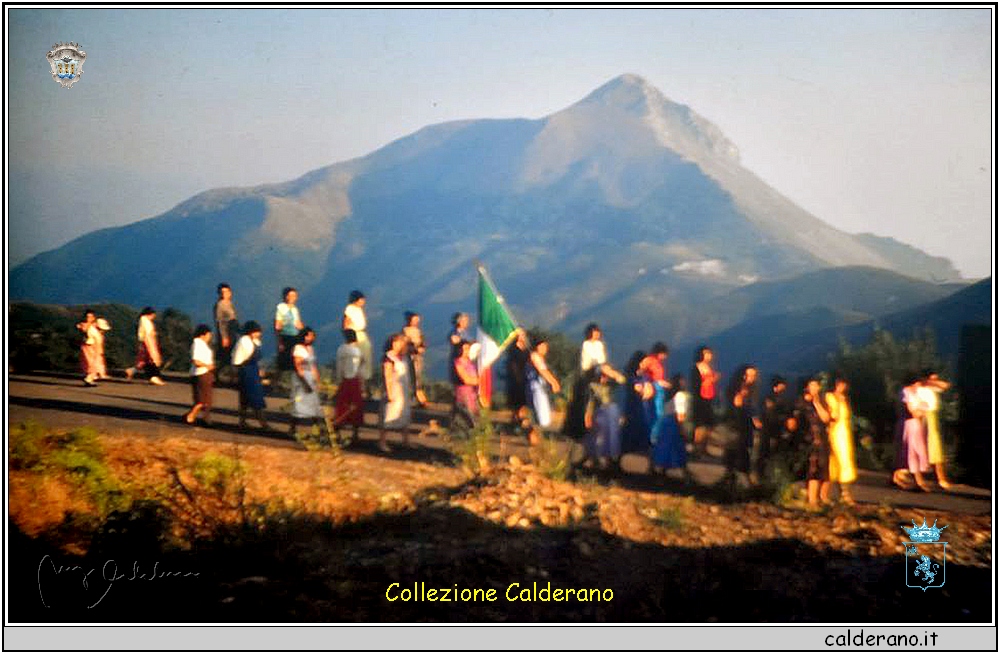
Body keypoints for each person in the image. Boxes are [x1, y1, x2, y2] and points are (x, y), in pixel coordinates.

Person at [565, 323, 611, 440]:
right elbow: (586, 362)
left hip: (599, 375)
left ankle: (597, 428)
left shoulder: (600, 345)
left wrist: (604, 371)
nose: (595, 334)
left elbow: (602, 359)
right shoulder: (585, 345)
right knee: (587, 402)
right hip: (587, 376)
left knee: (600, 402)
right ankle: (584, 427)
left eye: (597, 332)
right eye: (593, 332)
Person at [794, 377, 832, 507]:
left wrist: (817, 403)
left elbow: (826, 418)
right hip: (809, 440)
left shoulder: (821, 402)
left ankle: (822, 497)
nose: (815, 388)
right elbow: (796, 422)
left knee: (824, 468)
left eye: (817, 386)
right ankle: (811, 499)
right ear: (807, 387)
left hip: (822, 439)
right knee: (812, 469)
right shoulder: (801, 403)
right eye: (812, 386)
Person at [892, 373, 933, 492]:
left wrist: (919, 411)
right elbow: (912, 411)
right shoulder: (905, 392)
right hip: (908, 425)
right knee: (910, 452)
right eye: (917, 383)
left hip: (915, 425)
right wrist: (919, 411)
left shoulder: (915, 393)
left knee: (912, 451)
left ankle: (895, 477)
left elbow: (924, 407)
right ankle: (918, 481)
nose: (918, 386)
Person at [581, 365, 627, 471]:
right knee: (598, 436)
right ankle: (594, 458)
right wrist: (587, 416)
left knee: (613, 436)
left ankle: (611, 460)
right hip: (600, 412)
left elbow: (622, 380)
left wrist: (611, 372)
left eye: (605, 376)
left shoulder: (611, 384)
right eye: (601, 375)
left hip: (612, 411)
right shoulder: (592, 385)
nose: (603, 378)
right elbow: (590, 402)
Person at [724, 364, 762, 485]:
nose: (750, 377)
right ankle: (730, 474)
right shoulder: (734, 388)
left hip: (747, 423)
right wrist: (742, 391)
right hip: (735, 422)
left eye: (753, 375)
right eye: (748, 375)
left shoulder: (754, 389)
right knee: (734, 447)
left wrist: (755, 419)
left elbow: (753, 406)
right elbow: (736, 403)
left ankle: (744, 475)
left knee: (746, 449)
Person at [649, 372, 691, 478]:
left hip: (665, 423)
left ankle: (659, 469)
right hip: (673, 423)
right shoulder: (680, 396)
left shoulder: (669, 395)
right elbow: (680, 414)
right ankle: (683, 472)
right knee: (676, 447)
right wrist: (683, 428)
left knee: (664, 447)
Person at [288, 327, 327, 441]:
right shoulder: (298, 349)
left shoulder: (310, 348)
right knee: (299, 404)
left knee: (314, 404)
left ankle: (318, 429)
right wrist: (304, 383)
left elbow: (313, 366)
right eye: (309, 335)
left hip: (310, 376)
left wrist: (317, 380)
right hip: (302, 378)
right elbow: (297, 365)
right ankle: (293, 428)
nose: (312, 338)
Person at [231, 321, 271, 431]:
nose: (259, 334)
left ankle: (243, 422)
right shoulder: (243, 342)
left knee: (247, 398)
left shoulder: (256, 342)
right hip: (246, 371)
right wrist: (235, 375)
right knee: (254, 397)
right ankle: (263, 424)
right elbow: (237, 360)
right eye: (257, 331)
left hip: (254, 370)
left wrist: (260, 369)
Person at [825, 373, 857, 505]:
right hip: (835, 431)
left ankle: (844, 493)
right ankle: (840, 493)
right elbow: (833, 415)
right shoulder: (830, 397)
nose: (842, 387)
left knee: (845, 459)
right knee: (838, 460)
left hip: (844, 431)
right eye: (839, 384)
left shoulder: (844, 398)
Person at [379, 333, 413, 451]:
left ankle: (406, 440)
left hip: (403, 391)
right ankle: (382, 442)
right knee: (388, 415)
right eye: (395, 342)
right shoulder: (388, 357)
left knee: (404, 414)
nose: (397, 345)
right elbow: (387, 375)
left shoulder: (404, 358)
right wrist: (389, 392)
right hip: (393, 390)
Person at [919, 370, 953, 489]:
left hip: (933, 417)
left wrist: (933, 382)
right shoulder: (919, 389)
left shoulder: (931, 388)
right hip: (923, 417)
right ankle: (923, 478)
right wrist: (927, 381)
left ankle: (940, 478)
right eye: (932, 379)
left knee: (935, 449)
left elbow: (946, 386)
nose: (934, 382)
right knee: (923, 447)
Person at [526, 338, 561, 445]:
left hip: (539, 388)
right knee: (540, 413)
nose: (545, 348)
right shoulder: (534, 357)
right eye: (543, 346)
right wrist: (553, 382)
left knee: (539, 413)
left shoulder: (539, 358)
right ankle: (534, 436)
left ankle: (536, 437)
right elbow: (542, 370)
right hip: (536, 389)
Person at [332, 329, 364, 443]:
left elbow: (339, 366)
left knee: (342, 405)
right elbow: (360, 367)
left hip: (345, 380)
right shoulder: (358, 351)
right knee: (356, 405)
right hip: (355, 380)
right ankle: (355, 433)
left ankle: (337, 430)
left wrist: (338, 380)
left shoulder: (342, 349)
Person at [620, 350, 654, 455]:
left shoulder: (645, 376)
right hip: (634, 406)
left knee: (644, 427)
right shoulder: (631, 376)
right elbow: (638, 389)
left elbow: (649, 391)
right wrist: (644, 390)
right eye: (645, 362)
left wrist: (646, 391)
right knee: (632, 428)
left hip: (644, 406)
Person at [759, 376, 792, 480]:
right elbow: (769, 413)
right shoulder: (770, 397)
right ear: (777, 386)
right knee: (766, 452)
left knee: (774, 452)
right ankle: (762, 473)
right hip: (769, 428)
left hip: (776, 428)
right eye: (782, 385)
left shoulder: (780, 398)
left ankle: (770, 474)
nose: (784, 387)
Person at [690, 346, 721, 456]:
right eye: (706, 353)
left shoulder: (708, 367)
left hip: (709, 397)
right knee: (699, 424)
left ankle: (704, 447)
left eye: (709, 353)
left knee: (709, 423)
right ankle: (696, 448)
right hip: (700, 399)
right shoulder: (696, 368)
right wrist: (712, 379)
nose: (709, 356)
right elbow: (697, 385)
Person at [184, 325, 215, 425]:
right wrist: (207, 366)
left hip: (205, 373)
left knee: (206, 399)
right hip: (201, 373)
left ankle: (206, 419)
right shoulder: (197, 344)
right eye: (209, 335)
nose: (210, 337)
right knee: (202, 399)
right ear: (203, 335)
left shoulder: (202, 344)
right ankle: (190, 416)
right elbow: (196, 361)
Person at [127, 307, 165, 385]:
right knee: (150, 360)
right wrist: (151, 347)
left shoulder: (145, 321)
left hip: (147, 343)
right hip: (147, 343)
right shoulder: (145, 321)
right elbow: (147, 335)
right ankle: (153, 377)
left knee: (143, 361)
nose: (154, 317)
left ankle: (132, 370)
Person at [505, 329, 531, 436]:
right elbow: (512, 365)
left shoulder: (527, 349)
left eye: (523, 335)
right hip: (516, 379)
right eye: (520, 335)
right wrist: (518, 378)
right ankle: (517, 422)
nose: (522, 337)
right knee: (517, 402)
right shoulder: (513, 350)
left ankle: (519, 422)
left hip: (525, 378)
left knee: (523, 402)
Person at [343, 291, 373, 385]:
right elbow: (346, 324)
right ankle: (358, 383)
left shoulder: (360, 309)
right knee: (357, 359)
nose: (363, 301)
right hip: (355, 335)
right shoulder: (350, 309)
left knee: (366, 359)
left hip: (362, 334)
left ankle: (364, 382)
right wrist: (350, 339)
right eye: (361, 299)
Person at [274, 287, 304, 382]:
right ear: (285, 296)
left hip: (295, 336)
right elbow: (278, 324)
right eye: (290, 295)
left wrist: (305, 333)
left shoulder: (295, 309)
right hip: (285, 336)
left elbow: (298, 323)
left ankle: (296, 384)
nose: (292, 297)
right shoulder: (281, 307)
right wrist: (279, 341)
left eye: (294, 295)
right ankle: (275, 384)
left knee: (296, 361)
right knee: (282, 362)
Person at [76, 309, 109, 386]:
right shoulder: (84, 325)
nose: (88, 318)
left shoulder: (95, 325)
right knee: (91, 362)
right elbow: (83, 330)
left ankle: (90, 378)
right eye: (87, 316)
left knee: (95, 362)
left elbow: (102, 329)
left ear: (94, 317)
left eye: (90, 317)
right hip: (88, 346)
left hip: (95, 346)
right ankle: (89, 378)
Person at [213, 283, 239, 381]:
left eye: (226, 291)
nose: (224, 294)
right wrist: (224, 336)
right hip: (226, 332)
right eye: (222, 292)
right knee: (226, 356)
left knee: (232, 354)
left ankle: (232, 377)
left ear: (230, 293)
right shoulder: (220, 305)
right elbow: (220, 322)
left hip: (232, 331)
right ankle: (218, 375)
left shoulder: (229, 303)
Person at [402, 311, 428, 406]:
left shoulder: (418, 331)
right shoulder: (405, 330)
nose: (416, 322)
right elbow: (405, 343)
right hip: (411, 355)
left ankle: (417, 394)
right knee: (413, 375)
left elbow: (422, 341)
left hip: (418, 356)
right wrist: (415, 349)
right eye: (415, 320)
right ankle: (414, 395)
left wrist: (422, 347)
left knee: (418, 375)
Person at [453, 340, 480, 428]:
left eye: (468, 348)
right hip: (463, 393)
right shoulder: (458, 362)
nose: (467, 351)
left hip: (473, 393)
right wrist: (478, 381)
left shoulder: (470, 362)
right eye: (464, 349)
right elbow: (465, 379)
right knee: (466, 416)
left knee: (474, 416)